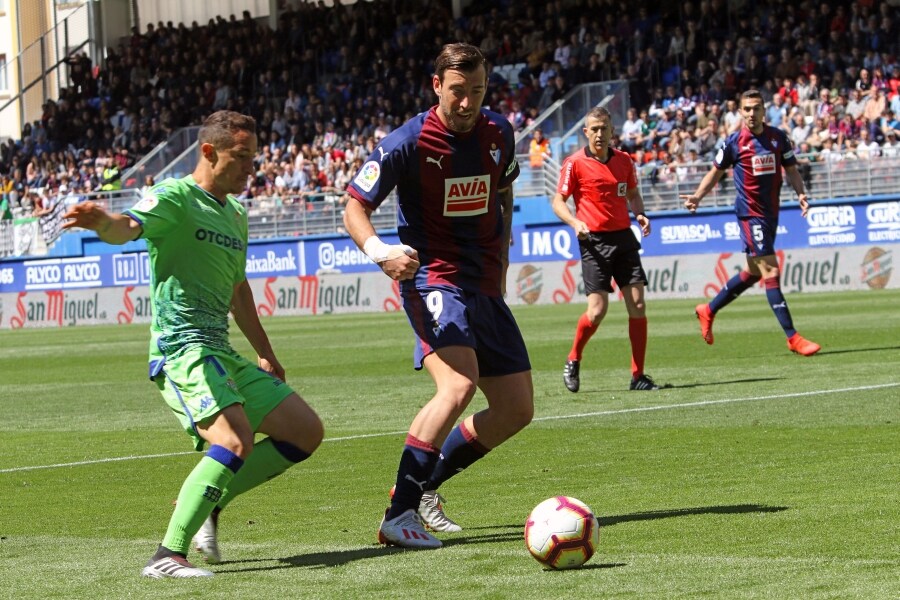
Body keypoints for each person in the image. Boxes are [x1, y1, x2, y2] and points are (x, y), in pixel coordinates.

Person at [62, 111, 324, 578]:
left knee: (305, 431)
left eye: (253, 159)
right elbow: (128, 228)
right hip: (182, 348)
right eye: (240, 158)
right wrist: (102, 222)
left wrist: (267, 351)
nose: (250, 169)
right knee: (233, 438)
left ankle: (211, 500)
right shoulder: (175, 197)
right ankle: (168, 554)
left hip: (219, 349)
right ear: (208, 152)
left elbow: (238, 289)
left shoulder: (237, 213)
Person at [343, 43, 533, 549]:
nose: (468, 102)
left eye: (477, 91)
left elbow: (504, 191)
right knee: (457, 386)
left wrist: (504, 256)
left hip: (485, 284)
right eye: (458, 92)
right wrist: (380, 252)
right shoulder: (406, 142)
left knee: (516, 409)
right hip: (434, 280)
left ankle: (426, 486)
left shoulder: (500, 132)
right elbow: (354, 206)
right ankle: (399, 513)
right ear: (436, 87)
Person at [680, 90, 821, 356]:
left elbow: (791, 169)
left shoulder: (778, 138)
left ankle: (708, 310)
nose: (751, 114)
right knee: (770, 271)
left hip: (771, 214)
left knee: (754, 272)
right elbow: (715, 172)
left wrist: (801, 193)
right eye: (747, 109)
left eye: (756, 108)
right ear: (741, 112)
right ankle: (793, 337)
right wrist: (698, 196)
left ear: (764, 111)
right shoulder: (734, 142)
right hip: (750, 214)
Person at [551, 106, 659, 393]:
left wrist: (640, 214)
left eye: (604, 128)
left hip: (623, 237)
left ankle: (638, 376)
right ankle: (574, 357)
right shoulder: (574, 163)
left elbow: (633, 194)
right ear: (586, 132)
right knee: (597, 311)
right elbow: (558, 201)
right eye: (594, 129)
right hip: (593, 241)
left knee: (637, 304)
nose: (599, 133)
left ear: (612, 131)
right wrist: (574, 222)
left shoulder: (624, 161)